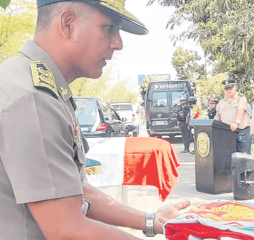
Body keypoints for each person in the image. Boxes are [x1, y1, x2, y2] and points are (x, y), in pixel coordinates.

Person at [0, 1, 190, 239]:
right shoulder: (34, 99)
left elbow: (72, 193)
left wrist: (151, 220)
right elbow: (66, 228)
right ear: (67, 24)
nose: (118, 43)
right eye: (109, 28)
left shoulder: (36, 84)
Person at [214, 79, 251, 153]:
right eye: (226, 88)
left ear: (235, 88)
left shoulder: (241, 98)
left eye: (231, 88)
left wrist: (236, 123)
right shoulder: (221, 102)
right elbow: (218, 116)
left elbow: (241, 111)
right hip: (227, 133)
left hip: (241, 133)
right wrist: (210, 125)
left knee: (243, 158)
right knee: (229, 158)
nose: (229, 90)